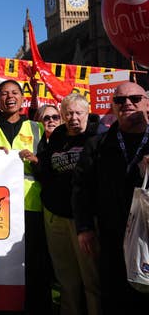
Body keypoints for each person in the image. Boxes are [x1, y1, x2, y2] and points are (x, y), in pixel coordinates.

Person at [0, 79, 51, 314]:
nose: (10, 97)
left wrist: (36, 161)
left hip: (31, 207)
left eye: (15, 92)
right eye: (4, 94)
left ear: (22, 98)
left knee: (34, 264)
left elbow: (47, 167)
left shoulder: (37, 129)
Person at [73, 81, 149, 313]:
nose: (127, 103)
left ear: (147, 103)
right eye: (119, 100)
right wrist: (84, 227)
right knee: (115, 295)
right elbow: (81, 187)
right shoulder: (97, 144)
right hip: (111, 233)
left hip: (147, 233)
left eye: (135, 98)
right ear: (113, 107)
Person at [29, 94, 100, 315]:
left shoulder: (99, 138)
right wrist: (36, 164)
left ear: (87, 113)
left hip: (86, 221)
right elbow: (47, 173)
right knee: (66, 279)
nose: (73, 118)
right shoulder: (57, 138)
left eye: (78, 112)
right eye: (68, 113)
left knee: (92, 279)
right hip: (56, 216)